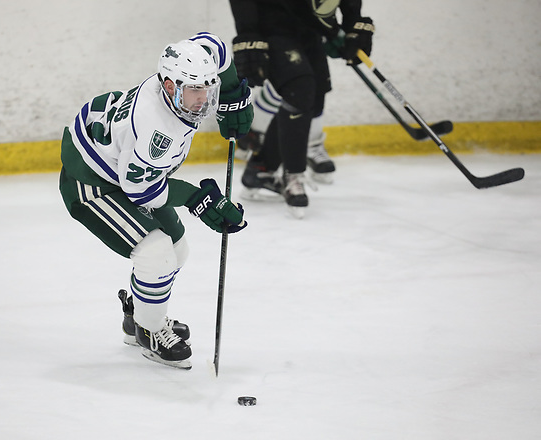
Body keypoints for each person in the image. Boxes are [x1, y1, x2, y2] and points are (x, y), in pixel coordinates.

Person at [59, 32, 253, 370]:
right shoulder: (155, 131)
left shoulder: (180, 77)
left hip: (121, 167)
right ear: (167, 85)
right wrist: (198, 199)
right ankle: (148, 332)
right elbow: (141, 192)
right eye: (195, 90)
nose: (203, 98)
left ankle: (139, 314)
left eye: (208, 88)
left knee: (178, 250)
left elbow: (214, 47)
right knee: (155, 252)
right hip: (90, 181)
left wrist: (233, 91)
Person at [229, 0, 375, 218]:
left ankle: (261, 170)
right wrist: (248, 32)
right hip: (273, 24)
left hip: (310, 28)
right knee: (300, 89)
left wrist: (353, 21)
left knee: (314, 95)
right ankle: (294, 176)